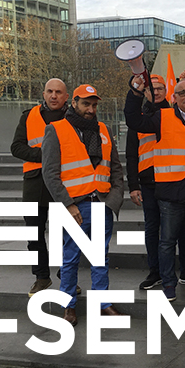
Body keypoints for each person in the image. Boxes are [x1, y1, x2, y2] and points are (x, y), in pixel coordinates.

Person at [125, 77, 185, 301]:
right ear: (174, 97)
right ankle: (168, 283)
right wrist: (135, 92)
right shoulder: (162, 117)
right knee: (167, 240)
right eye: (181, 92)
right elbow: (134, 120)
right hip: (171, 190)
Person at [41, 84, 124, 326]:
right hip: (74, 206)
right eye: (86, 104)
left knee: (100, 257)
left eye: (94, 105)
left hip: (101, 203)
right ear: (74, 103)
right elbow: (50, 173)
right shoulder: (56, 129)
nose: (91, 109)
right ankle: (68, 306)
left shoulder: (104, 130)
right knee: (70, 258)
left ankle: (103, 303)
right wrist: (68, 205)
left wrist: (113, 200)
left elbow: (115, 168)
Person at [10, 78, 69, 297]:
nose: (54, 96)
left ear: (66, 97)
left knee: (65, 236)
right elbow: (16, 147)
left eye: (58, 92)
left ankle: (67, 277)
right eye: (50, 91)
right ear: (43, 94)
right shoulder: (28, 116)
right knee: (34, 234)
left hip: (63, 184)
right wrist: (45, 155)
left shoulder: (72, 118)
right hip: (34, 184)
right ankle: (41, 277)